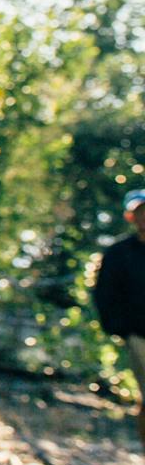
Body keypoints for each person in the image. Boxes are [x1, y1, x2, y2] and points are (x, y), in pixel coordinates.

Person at [92, 188, 145, 451]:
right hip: (138, 334)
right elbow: (104, 293)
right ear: (130, 217)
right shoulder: (119, 252)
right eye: (140, 212)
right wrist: (119, 327)